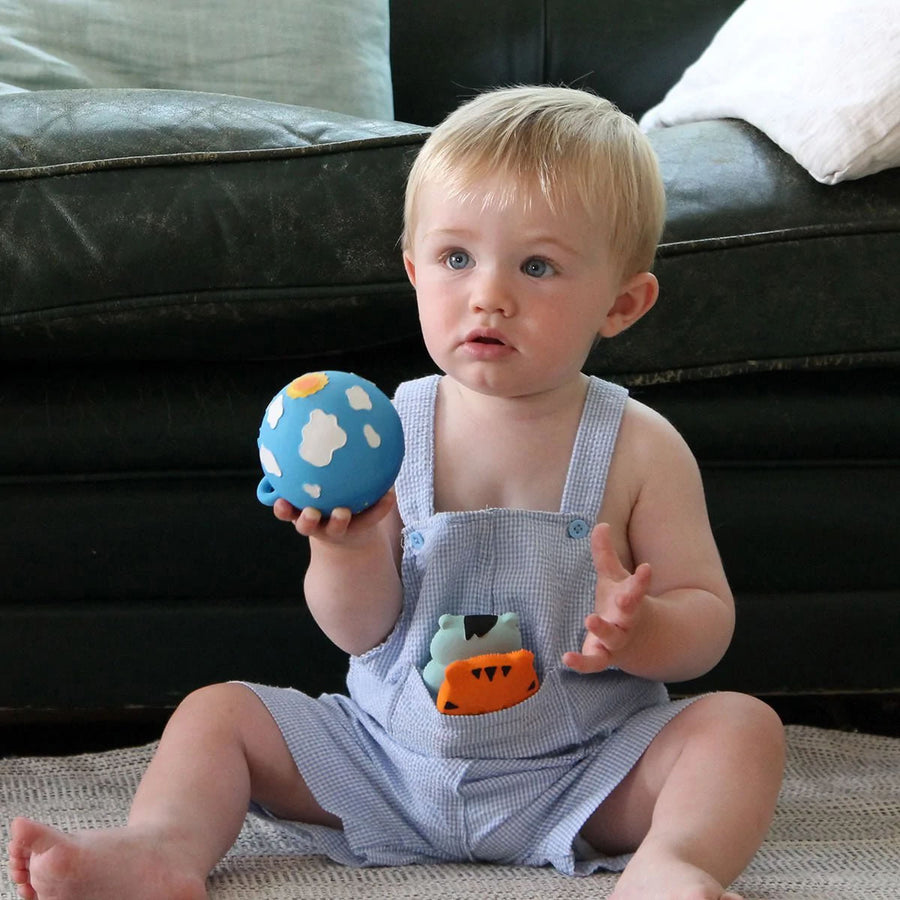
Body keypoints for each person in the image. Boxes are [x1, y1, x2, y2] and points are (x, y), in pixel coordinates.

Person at [7, 86, 784, 900]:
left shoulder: (639, 445)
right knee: (218, 713)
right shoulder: (388, 430)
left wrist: (644, 629)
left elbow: (708, 623)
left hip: (583, 772)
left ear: (621, 304)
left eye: (538, 265)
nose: (489, 294)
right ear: (414, 270)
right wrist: (340, 548)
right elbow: (360, 632)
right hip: (384, 762)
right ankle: (160, 848)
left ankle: (671, 867)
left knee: (739, 729)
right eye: (457, 258)